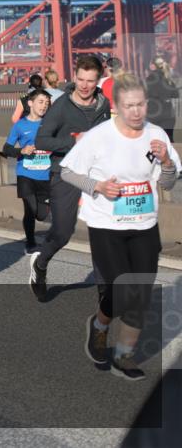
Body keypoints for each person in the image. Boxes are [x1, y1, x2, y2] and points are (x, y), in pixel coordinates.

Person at [62, 73, 179, 380]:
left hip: (144, 225)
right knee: (121, 292)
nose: (137, 111)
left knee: (140, 294)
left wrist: (167, 162)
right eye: (129, 106)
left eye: (141, 104)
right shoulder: (99, 136)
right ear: (117, 106)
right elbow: (68, 173)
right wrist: (97, 185)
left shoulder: (157, 136)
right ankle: (100, 324)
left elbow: (168, 183)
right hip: (106, 225)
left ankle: (124, 355)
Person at [29, 55, 111, 301]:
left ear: (97, 81)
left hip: (96, 175)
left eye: (90, 81)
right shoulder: (61, 106)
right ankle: (40, 264)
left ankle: (104, 290)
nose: (84, 85)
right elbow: (41, 141)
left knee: (102, 231)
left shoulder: (104, 104)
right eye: (80, 79)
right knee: (63, 232)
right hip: (66, 173)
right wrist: (73, 140)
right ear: (74, 77)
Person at [2, 89, 52, 253]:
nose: (44, 106)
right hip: (25, 174)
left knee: (42, 215)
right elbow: (7, 148)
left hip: (45, 175)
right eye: (40, 102)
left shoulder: (51, 124)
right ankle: (30, 243)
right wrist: (21, 152)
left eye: (46, 102)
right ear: (30, 103)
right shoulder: (20, 125)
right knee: (30, 209)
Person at [146, 57, 178, 142]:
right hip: (168, 114)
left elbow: (145, 94)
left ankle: (150, 156)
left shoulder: (150, 78)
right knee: (168, 142)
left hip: (153, 114)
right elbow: (175, 94)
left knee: (153, 143)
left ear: (152, 66)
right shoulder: (168, 78)